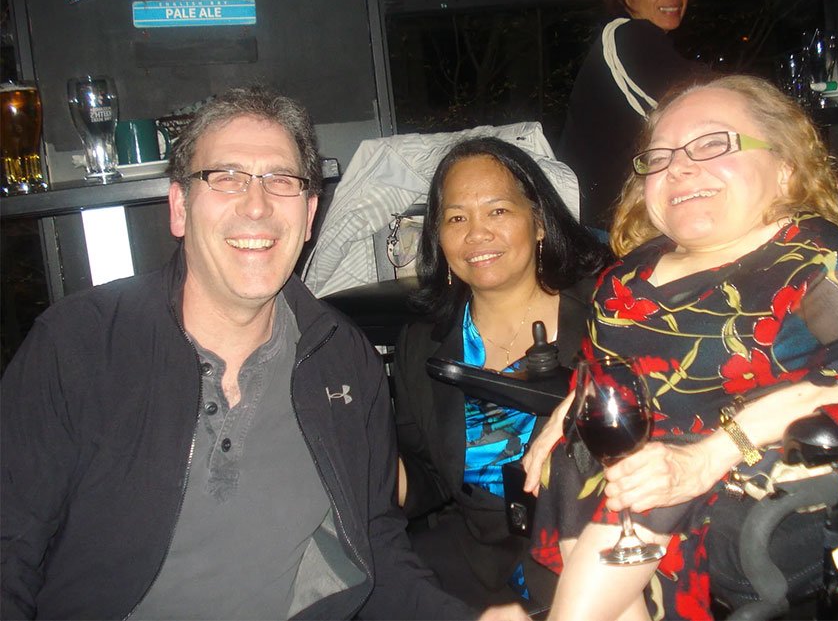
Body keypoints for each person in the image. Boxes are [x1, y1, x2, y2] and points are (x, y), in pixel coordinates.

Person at [0, 87, 527, 621]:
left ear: (309, 214)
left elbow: (376, 551)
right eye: (225, 177)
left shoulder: (344, 362)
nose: (257, 205)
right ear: (180, 207)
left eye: (282, 181)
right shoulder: (80, 346)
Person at [522, 75, 838, 620]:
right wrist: (575, 404)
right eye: (659, 158)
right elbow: (606, 366)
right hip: (634, 478)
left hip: (755, 469)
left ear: (784, 168)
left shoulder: (806, 251)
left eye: (712, 144)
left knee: (636, 482)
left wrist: (712, 453)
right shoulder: (627, 275)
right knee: (583, 460)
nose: (678, 167)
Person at [393, 137, 613, 612]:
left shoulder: (611, 314)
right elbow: (430, 473)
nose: (476, 234)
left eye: (496, 211)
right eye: (456, 218)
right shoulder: (422, 344)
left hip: (596, 561)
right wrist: (374, 474)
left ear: (538, 221)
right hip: (474, 563)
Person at [559, 0, 708, 230]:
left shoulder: (652, 46)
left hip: (625, 219)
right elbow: (694, 102)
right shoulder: (625, 34)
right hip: (604, 228)